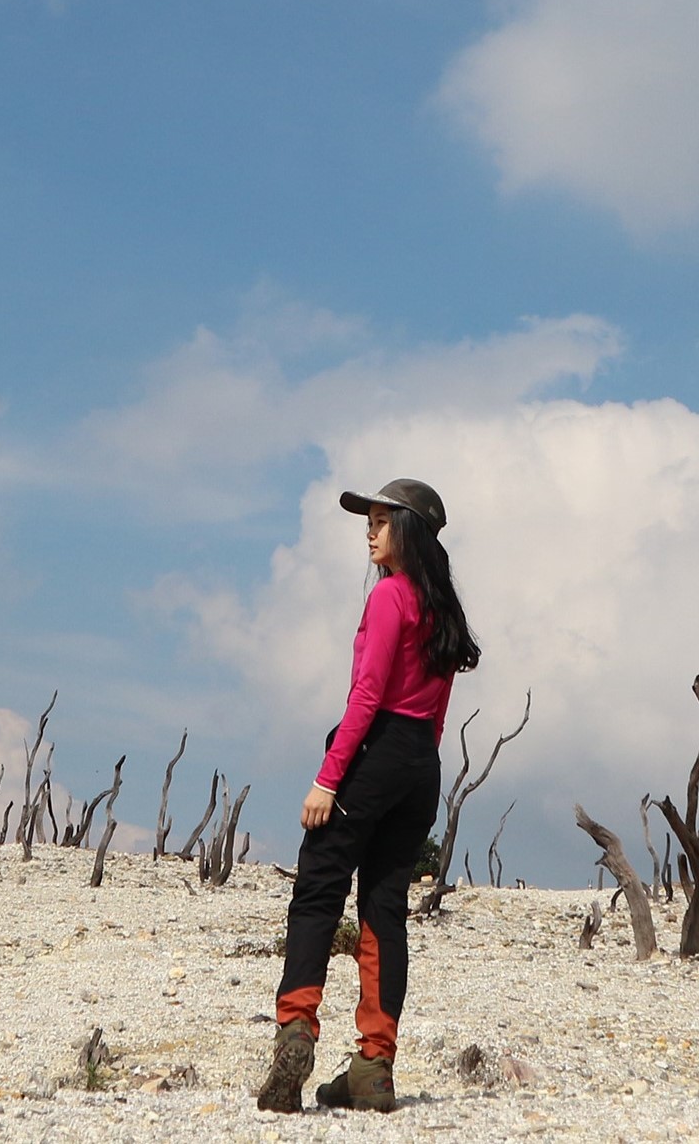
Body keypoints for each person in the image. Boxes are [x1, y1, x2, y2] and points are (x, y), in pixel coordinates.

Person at [255, 477, 480, 1114]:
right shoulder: (443, 609)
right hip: (420, 767)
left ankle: (296, 1029)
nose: (370, 530)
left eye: (382, 521)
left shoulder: (390, 598)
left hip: (376, 751)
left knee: (319, 888)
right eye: (370, 520)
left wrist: (329, 778)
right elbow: (434, 714)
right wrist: (416, 765)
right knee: (384, 909)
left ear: (409, 532)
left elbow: (366, 697)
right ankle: (373, 1066)